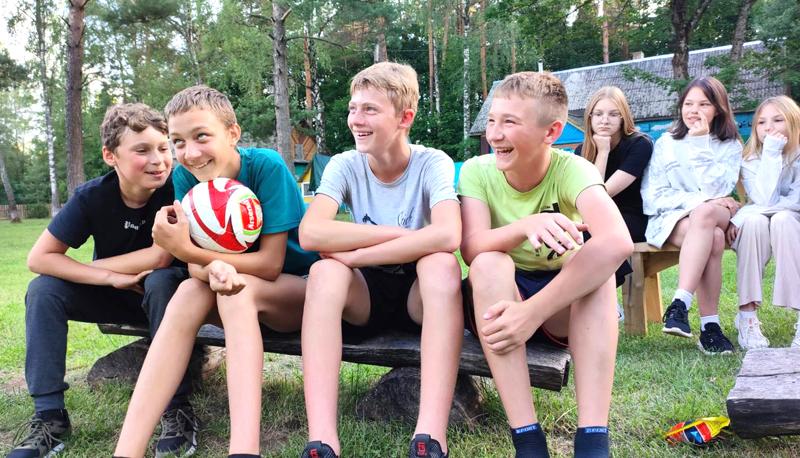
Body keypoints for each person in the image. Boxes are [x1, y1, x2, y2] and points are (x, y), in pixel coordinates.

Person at [113, 86, 317, 458]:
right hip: (234, 290)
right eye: (178, 142)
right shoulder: (187, 178)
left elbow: (271, 264)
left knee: (240, 293)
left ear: (232, 133)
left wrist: (186, 250)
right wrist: (214, 268)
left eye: (202, 136)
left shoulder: (266, 167)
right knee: (188, 292)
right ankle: (127, 450)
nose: (190, 153)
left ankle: (244, 450)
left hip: (297, 293)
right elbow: (196, 269)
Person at [459, 71, 632, 458]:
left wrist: (532, 312)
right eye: (492, 120)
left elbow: (617, 241)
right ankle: (528, 441)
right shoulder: (477, 171)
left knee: (600, 275)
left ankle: (592, 442)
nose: (494, 134)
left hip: (558, 304)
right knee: (488, 264)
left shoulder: (573, 170)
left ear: (551, 132)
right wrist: (525, 226)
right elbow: (471, 248)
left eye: (509, 122)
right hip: (498, 301)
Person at [9, 103, 194, 458]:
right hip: (118, 295)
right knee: (43, 290)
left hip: (170, 302)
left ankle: (177, 408)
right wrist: (108, 277)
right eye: (142, 150)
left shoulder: (177, 188)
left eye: (163, 148)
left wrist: (99, 268)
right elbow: (39, 259)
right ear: (111, 156)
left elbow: (159, 256)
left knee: (161, 279)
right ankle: (50, 417)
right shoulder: (92, 196)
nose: (158, 160)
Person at [298, 62, 463, 458]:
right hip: (366, 296)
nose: (356, 120)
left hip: (418, 296)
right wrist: (404, 236)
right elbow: (311, 233)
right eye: (353, 109)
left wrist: (358, 254)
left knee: (441, 264)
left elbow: (448, 235)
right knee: (324, 271)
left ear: (405, 118)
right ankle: (322, 439)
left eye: (370, 109)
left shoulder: (432, 162)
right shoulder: (345, 164)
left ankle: (429, 436)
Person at [641, 76, 743, 354]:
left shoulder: (730, 145)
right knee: (715, 236)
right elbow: (653, 196)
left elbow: (718, 190)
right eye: (688, 104)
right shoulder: (666, 143)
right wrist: (700, 202)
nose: (694, 111)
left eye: (703, 104)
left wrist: (700, 145)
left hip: (715, 214)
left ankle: (680, 304)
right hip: (671, 219)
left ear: (718, 109)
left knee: (707, 213)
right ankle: (710, 328)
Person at [728, 95, 800, 350]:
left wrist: (742, 214)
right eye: (761, 122)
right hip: (763, 221)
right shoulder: (750, 158)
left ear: (794, 122)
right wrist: (771, 153)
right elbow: (764, 199)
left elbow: (796, 202)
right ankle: (746, 316)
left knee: (782, 220)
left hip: (793, 222)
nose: (768, 128)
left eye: (778, 120)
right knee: (755, 223)